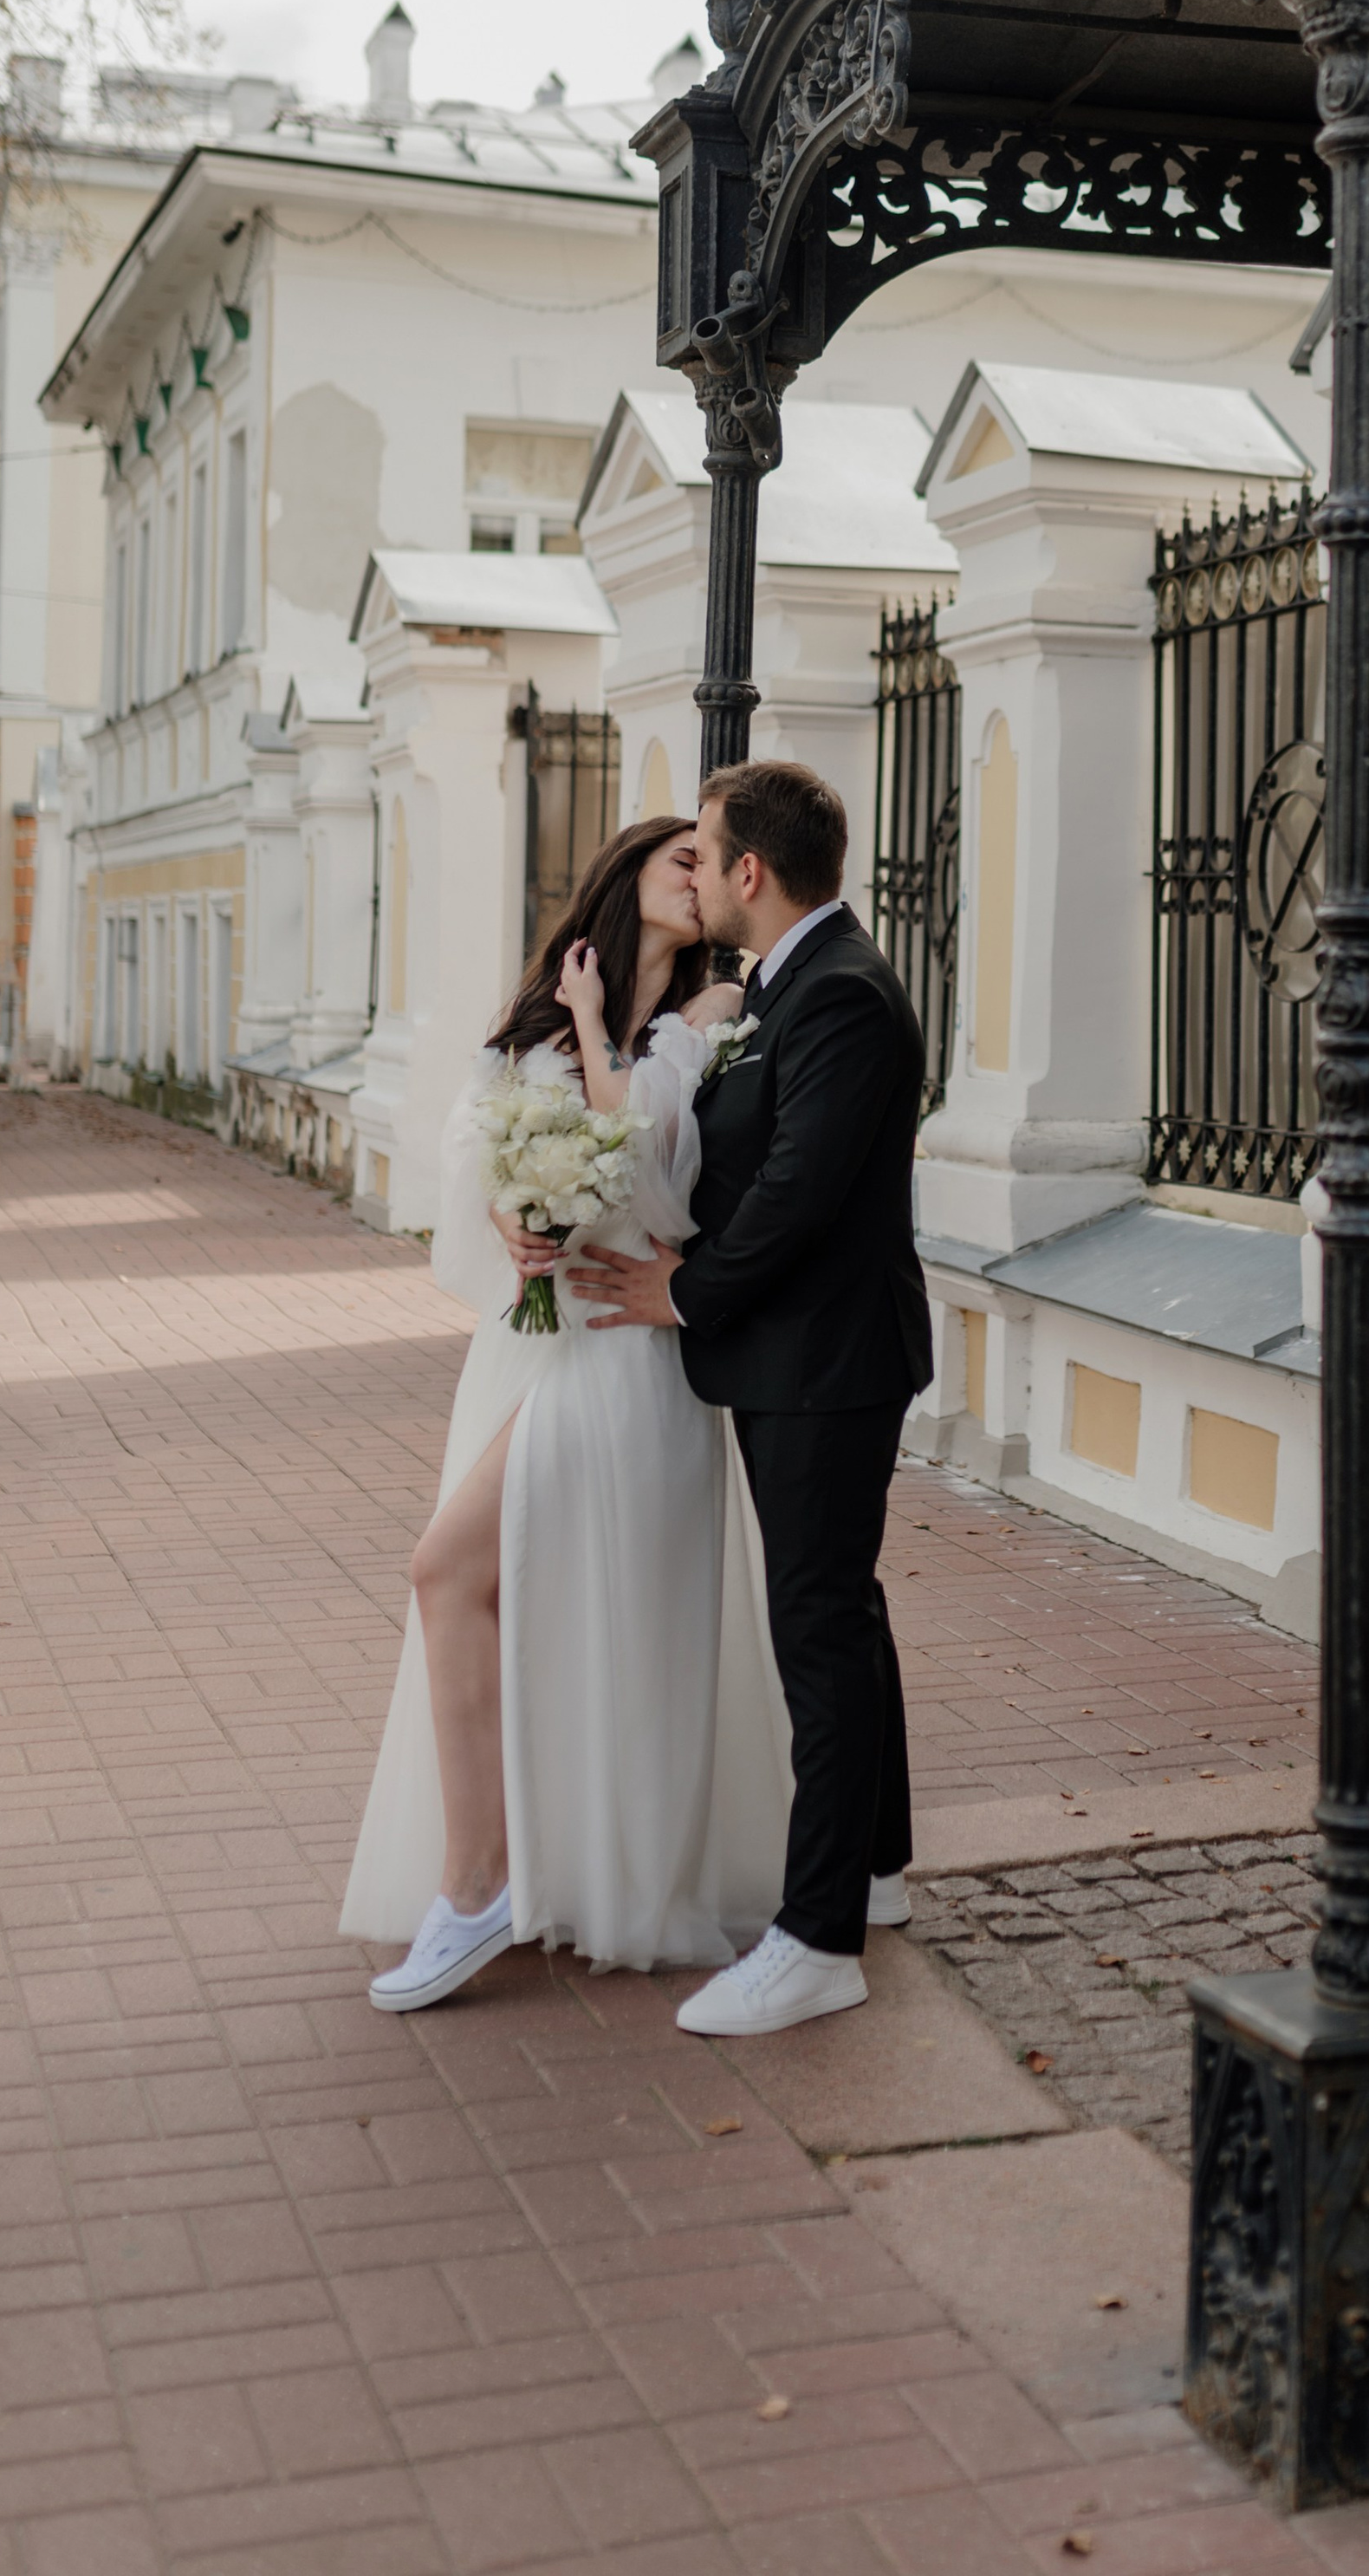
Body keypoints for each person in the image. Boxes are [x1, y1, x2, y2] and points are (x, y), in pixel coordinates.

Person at [340, 816, 791, 2010]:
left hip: (625, 1345)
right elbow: (470, 1139)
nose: (702, 881)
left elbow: (648, 1171)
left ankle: (492, 1883)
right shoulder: (539, 1010)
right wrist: (509, 1220)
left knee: (470, 1576)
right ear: (627, 876)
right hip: (532, 1346)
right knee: (495, 1586)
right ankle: (499, 1875)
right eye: (681, 861)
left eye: (714, 864)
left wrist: (601, 1032)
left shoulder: (714, 1018)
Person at [567, 759, 933, 2035]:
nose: (699, 873)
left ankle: (818, 1936)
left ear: (750, 874)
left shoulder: (842, 997)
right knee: (846, 1611)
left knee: (817, 1636)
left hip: (823, 1364)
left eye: (707, 852)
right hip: (803, 1358)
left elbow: (796, 1190)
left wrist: (686, 1291)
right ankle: (877, 1868)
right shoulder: (787, 988)